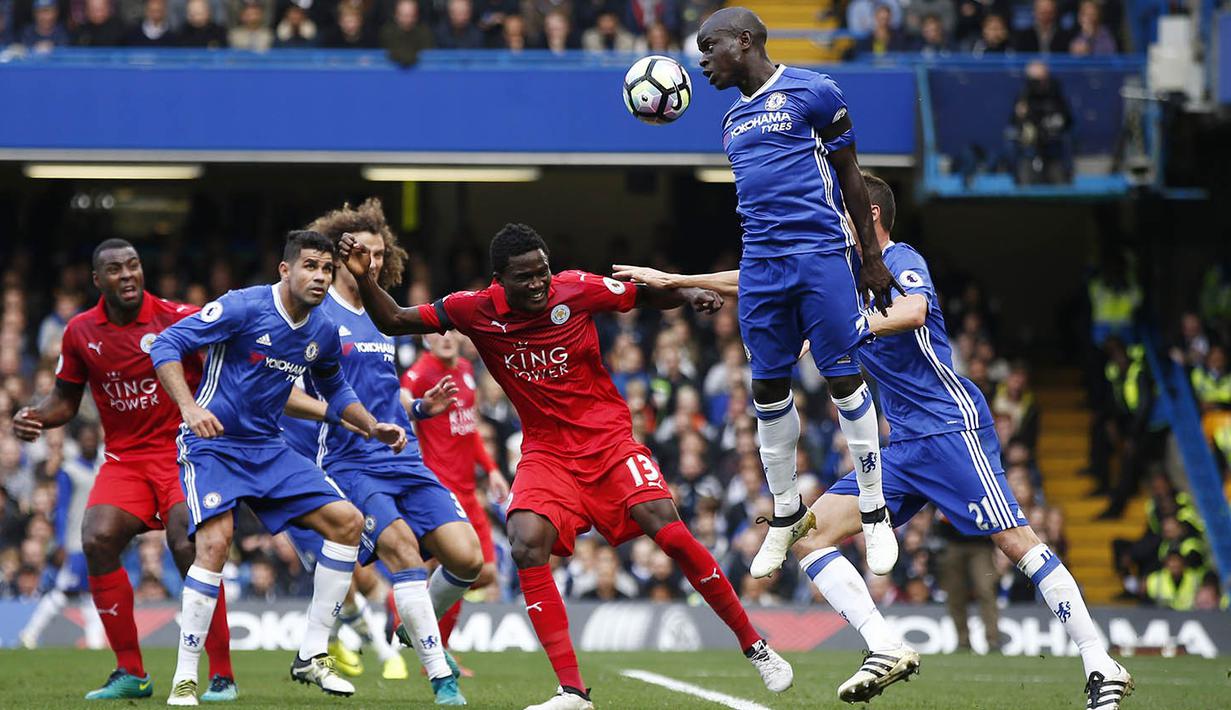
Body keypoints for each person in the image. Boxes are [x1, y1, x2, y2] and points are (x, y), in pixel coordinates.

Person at [612, 174, 1135, 709]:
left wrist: (848, 327)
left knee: (1015, 541)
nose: (831, 217)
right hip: (904, 444)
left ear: (871, 216)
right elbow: (756, 279)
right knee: (809, 537)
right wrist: (673, 281)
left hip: (949, 427)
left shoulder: (899, 258)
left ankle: (1100, 662)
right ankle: (884, 645)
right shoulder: (837, 271)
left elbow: (913, 310)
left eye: (842, 207)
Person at [340, 223, 793, 710]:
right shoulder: (473, 309)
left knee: (669, 530)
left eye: (543, 273)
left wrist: (689, 294)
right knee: (525, 542)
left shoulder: (575, 288)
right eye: (526, 277)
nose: (539, 284)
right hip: (547, 452)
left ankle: (755, 645)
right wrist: (366, 279)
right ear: (499, 280)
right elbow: (395, 320)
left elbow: (644, 295)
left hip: (608, 440)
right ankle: (573, 691)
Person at [149, 230, 408, 705]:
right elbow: (165, 345)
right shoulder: (243, 307)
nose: (320, 276)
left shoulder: (323, 331)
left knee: (347, 522)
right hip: (215, 446)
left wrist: (372, 426)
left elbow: (336, 390)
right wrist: (188, 408)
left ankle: (312, 653)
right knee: (214, 545)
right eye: (310, 266)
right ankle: (184, 677)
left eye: (327, 269)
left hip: (270, 448)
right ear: (285, 270)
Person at [696, 7, 900, 581]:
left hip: (820, 257)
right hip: (761, 264)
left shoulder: (814, 90)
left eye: (709, 47)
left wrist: (871, 257)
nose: (703, 60)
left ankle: (874, 507)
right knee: (764, 386)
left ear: (744, 40)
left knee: (841, 376)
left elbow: (852, 174)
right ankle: (786, 512)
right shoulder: (731, 121)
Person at [11, 239, 237, 702]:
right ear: (98, 281)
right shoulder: (79, 332)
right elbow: (65, 401)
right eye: (116, 270)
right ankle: (131, 671)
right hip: (125, 458)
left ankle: (222, 674)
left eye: (134, 266)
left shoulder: (178, 317)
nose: (128, 275)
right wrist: (34, 414)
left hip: (183, 451)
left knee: (186, 543)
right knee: (96, 537)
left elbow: (227, 371)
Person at [278, 200, 485, 704]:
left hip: (406, 457)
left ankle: (418, 627)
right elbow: (283, 389)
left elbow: (382, 394)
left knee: (468, 559)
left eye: (377, 253)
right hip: (350, 463)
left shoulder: (386, 315)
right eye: (358, 251)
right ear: (340, 253)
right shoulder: (315, 313)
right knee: (403, 555)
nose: (368, 261)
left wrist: (417, 411)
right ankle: (442, 678)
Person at [404, 328, 511, 648]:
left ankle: (411, 615)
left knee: (485, 573)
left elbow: (471, 429)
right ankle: (436, 647)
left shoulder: (465, 370)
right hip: (441, 488)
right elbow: (403, 398)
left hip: (468, 489)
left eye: (450, 329)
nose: (446, 337)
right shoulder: (421, 372)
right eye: (437, 332)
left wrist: (492, 470)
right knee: (456, 569)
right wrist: (415, 404)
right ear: (425, 339)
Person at [18, 423, 105, 651]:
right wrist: (61, 541)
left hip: (96, 540)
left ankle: (95, 641)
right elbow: (63, 508)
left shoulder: (102, 467)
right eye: (85, 439)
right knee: (64, 590)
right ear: (78, 443)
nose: (89, 442)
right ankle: (30, 633)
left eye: (92, 438)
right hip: (76, 540)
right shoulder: (69, 470)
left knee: (89, 591)